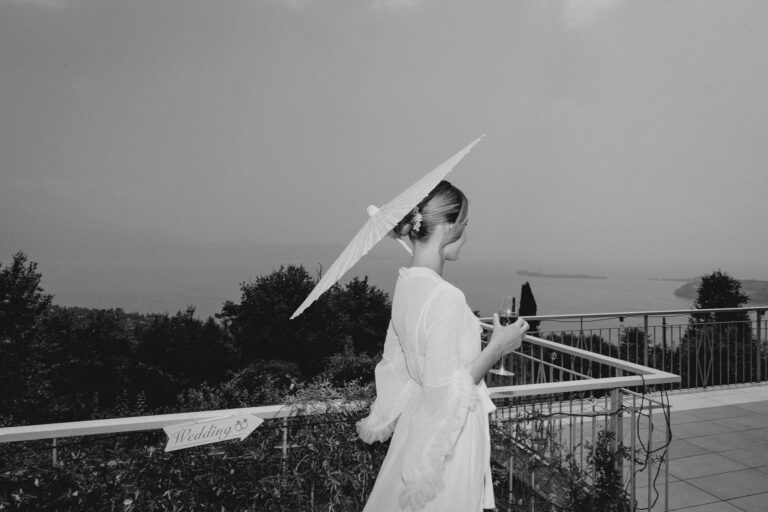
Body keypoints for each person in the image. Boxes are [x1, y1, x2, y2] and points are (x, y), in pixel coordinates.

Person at [357, 180, 529, 511]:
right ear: (448, 227)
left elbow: (402, 364)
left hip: (417, 426)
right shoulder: (445, 296)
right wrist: (497, 347)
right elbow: (445, 388)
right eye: (464, 225)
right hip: (448, 437)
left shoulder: (407, 283)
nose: (467, 235)